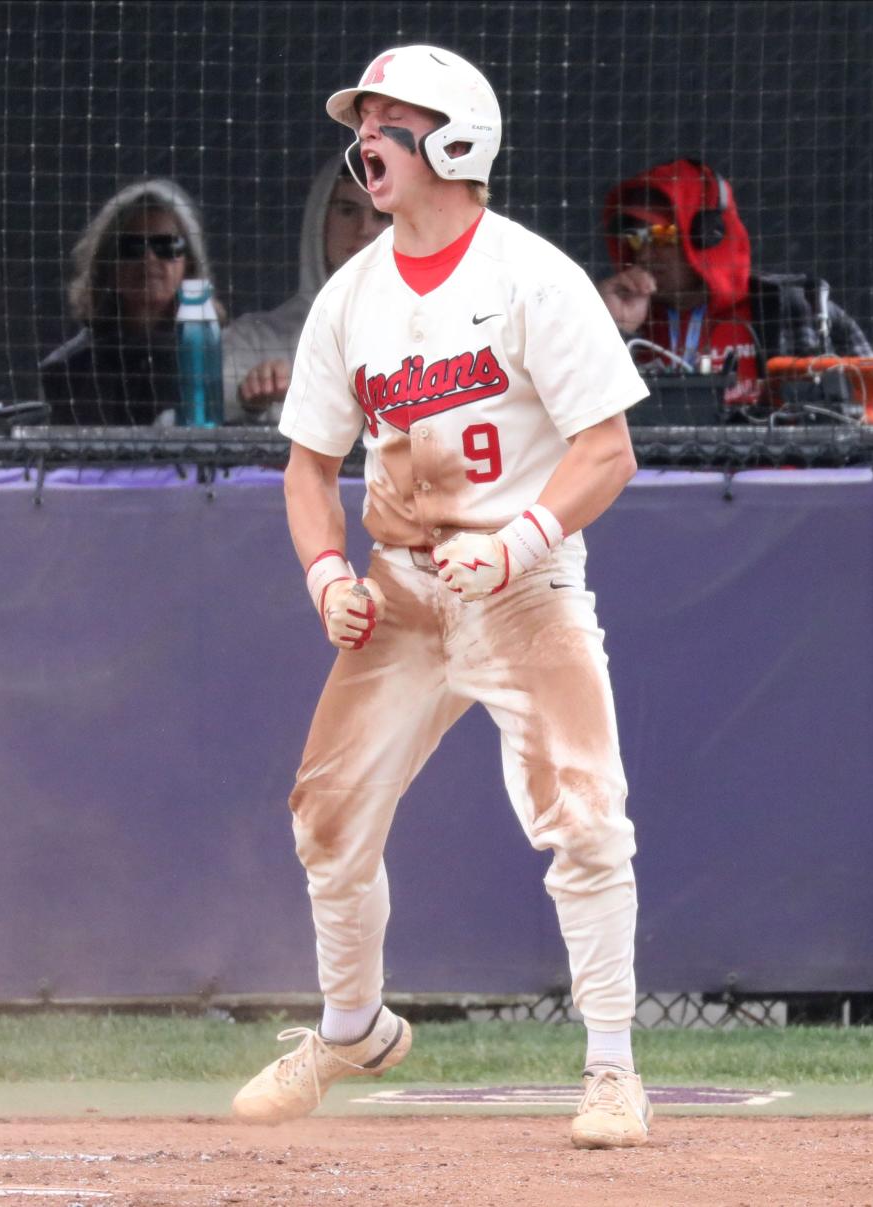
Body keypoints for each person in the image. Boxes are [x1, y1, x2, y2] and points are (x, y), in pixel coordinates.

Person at [231, 46, 653, 1151]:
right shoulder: (352, 297)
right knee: (326, 822)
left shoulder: (531, 275)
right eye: (361, 121)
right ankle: (351, 1028)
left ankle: (613, 1069)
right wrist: (327, 575)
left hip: (525, 589)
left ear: (456, 139)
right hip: (406, 595)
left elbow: (607, 453)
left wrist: (519, 540)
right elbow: (309, 466)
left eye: (390, 122)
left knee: (587, 817)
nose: (364, 140)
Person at [598, 159, 873, 406]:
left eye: (662, 235)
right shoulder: (622, 317)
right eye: (637, 237)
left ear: (709, 236)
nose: (644, 254)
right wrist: (609, 329)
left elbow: (871, 413)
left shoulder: (798, 309)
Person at [221, 155, 391, 422]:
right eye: (347, 210)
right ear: (320, 217)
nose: (364, 229)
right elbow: (188, 413)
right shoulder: (255, 341)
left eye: (381, 215)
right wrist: (247, 397)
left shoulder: (430, 333)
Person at [41, 178, 220, 425]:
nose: (148, 258)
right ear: (107, 265)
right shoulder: (67, 369)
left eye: (166, 245)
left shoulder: (212, 355)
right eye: (131, 248)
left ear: (188, 263)